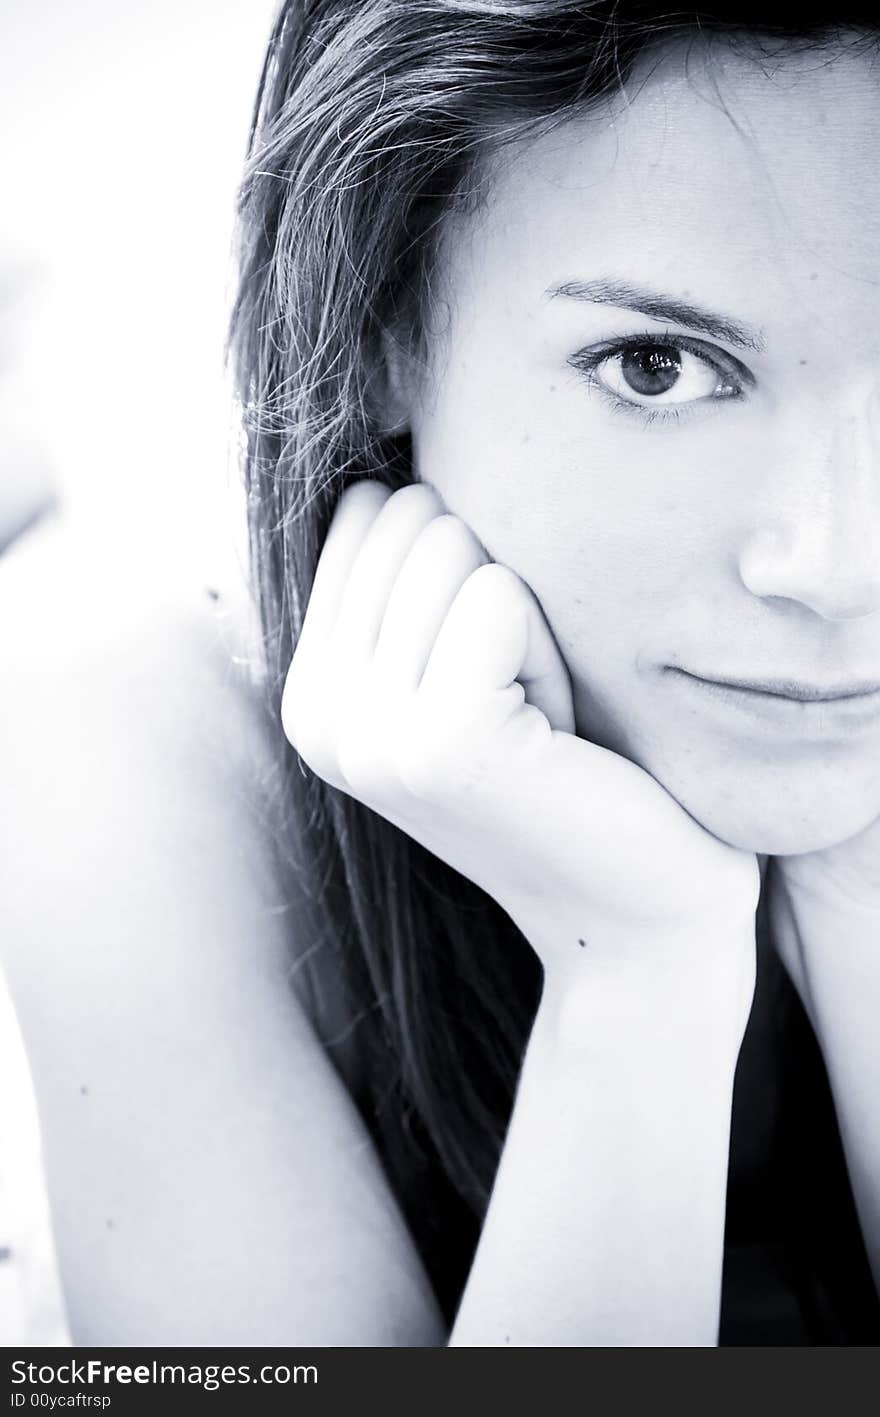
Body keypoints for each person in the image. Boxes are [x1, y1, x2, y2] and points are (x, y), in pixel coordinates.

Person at [4, 0, 880, 1345]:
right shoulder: (126, 731)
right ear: (374, 336)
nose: (830, 566)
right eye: (656, 366)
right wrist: (636, 975)